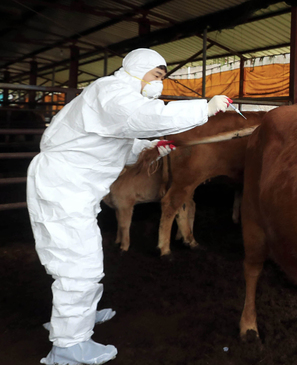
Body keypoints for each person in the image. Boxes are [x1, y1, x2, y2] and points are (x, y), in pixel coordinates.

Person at [27, 48, 231, 365]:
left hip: (74, 187)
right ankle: (69, 345)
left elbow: (125, 146)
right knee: (79, 263)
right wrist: (203, 109)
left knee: (82, 255)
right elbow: (143, 117)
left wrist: (154, 148)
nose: (159, 84)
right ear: (139, 69)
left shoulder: (116, 101)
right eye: (157, 76)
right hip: (63, 186)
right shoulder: (112, 92)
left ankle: (79, 318)